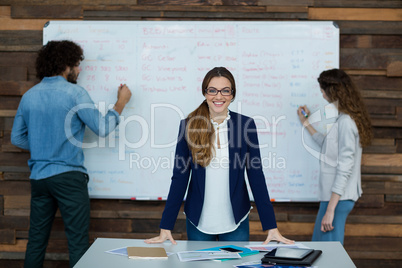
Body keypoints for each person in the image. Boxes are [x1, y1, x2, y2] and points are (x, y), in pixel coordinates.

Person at [11, 40, 132, 268]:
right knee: (77, 243)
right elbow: (103, 128)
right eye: (76, 65)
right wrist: (120, 103)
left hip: (39, 180)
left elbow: (16, 138)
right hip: (68, 179)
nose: (79, 70)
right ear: (65, 65)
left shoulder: (29, 96)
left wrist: (43, 146)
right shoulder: (75, 93)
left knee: (36, 242)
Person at [145, 67, 293, 245]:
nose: (218, 96)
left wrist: (271, 226)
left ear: (232, 94)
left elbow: (256, 176)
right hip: (198, 221)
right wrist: (166, 225)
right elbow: (179, 177)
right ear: (205, 92)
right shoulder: (188, 126)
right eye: (212, 90)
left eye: (225, 90)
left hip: (235, 221)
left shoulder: (246, 125)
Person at [297, 68, 372, 245]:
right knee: (326, 251)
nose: (322, 96)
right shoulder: (345, 119)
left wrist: (330, 209)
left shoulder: (346, 122)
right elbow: (326, 146)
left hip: (337, 200)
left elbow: (345, 167)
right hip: (336, 199)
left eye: (323, 91)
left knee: (326, 255)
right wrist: (306, 123)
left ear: (332, 91)